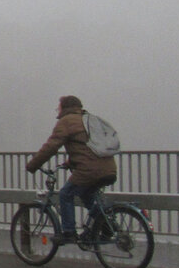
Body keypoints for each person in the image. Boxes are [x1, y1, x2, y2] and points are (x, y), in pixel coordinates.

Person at [25, 95, 117, 244]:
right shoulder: (89, 120)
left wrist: (33, 165)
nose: (57, 110)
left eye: (58, 107)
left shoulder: (66, 121)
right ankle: (107, 225)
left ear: (65, 107)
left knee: (66, 194)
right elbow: (87, 148)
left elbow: (51, 146)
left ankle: (69, 232)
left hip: (90, 170)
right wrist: (71, 162)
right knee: (87, 196)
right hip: (109, 168)